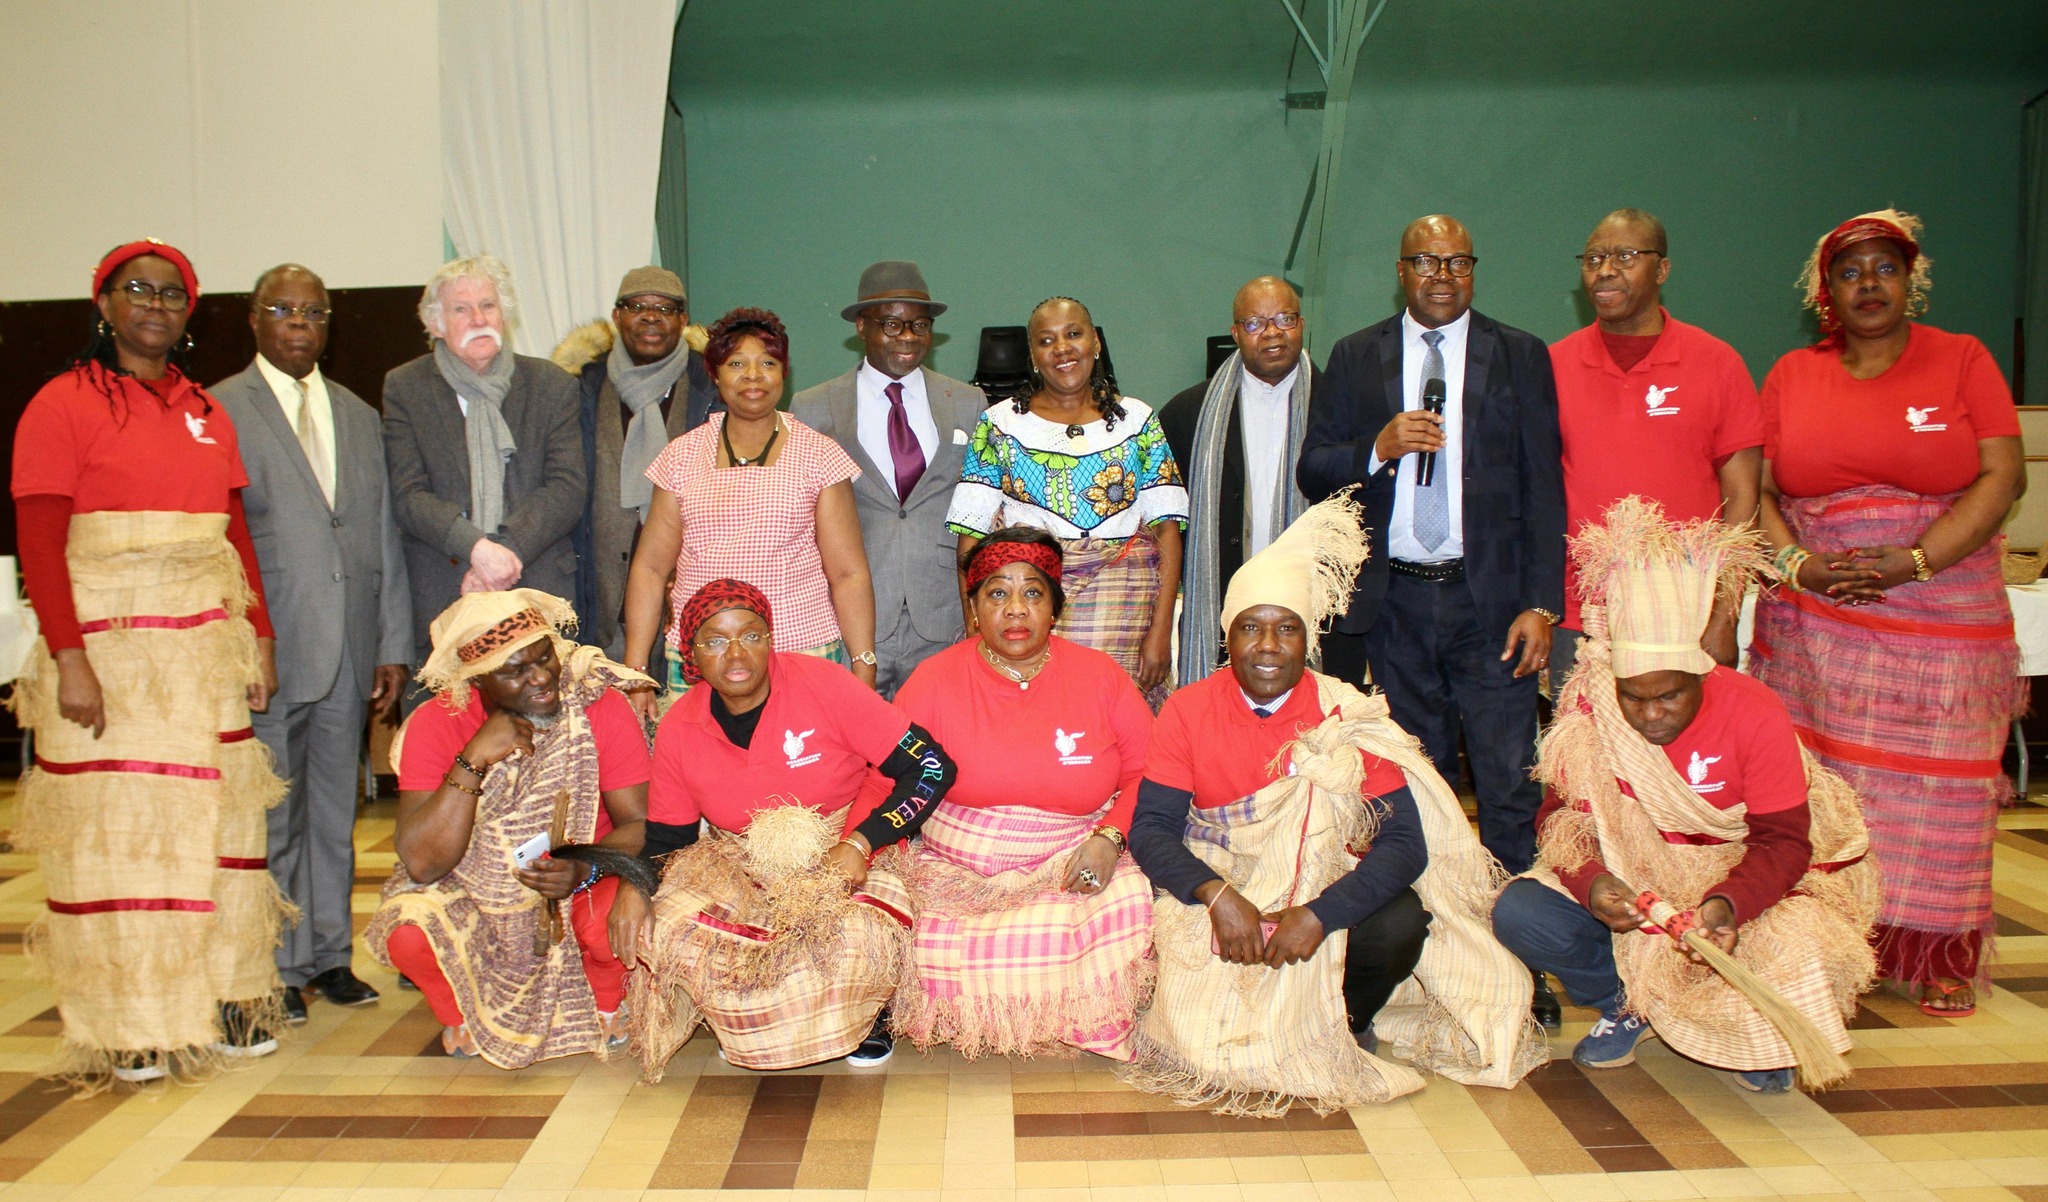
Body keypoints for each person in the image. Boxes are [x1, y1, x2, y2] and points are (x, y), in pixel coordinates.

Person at [1123, 492, 1544, 1116]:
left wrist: (1321, 913)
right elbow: (1153, 831)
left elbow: (1405, 844)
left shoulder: (1347, 710)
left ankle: (1337, 1020)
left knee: (1400, 921)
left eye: (1286, 627)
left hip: (1317, 897)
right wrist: (1215, 896)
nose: (1268, 645)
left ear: (1309, 637)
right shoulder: (1187, 710)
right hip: (1225, 894)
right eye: (1250, 627)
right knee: (1200, 1032)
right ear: (1226, 636)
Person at [10, 239, 289, 1084]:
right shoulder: (59, 404)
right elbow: (40, 541)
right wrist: (71, 659)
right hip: (111, 649)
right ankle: (128, 1024)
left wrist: (260, 634)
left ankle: (224, 997)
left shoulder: (207, 408)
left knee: (222, 832)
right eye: (138, 290)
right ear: (104, 303)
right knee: (121, 843)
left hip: (204, 649)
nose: (156, 305)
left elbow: (234, 534)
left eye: (172, 294)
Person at [1495, 499, 1880, 1092]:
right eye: (1634, 697)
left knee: (1803, 939)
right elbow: (1562, 820)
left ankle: (1750, 1026)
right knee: (1521, 911)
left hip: (1740, 878)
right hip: (1641, 879)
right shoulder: (1591, 707)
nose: (1649, 716)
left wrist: (1728, 905)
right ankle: (1629, 1003)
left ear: (1701, 675)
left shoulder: (1755, 709)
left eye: (1669, 696)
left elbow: (1783, 842)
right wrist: (1594, 884)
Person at [1749, 209, 2024, 1018]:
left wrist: (1918, 559)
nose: (1868, 284)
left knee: (1941, 792)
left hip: (1944, 617)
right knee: (1833, 786)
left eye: (1885, 268)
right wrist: (1800, 565)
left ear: (1911, 279)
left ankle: (1936, 949)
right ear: (1825, 291)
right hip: (1821, 618)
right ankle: (1839, 937)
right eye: (1850, 271)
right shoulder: (1793, 375)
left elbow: (2003, 476)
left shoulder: (1964, 361)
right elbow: (1756, 493)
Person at [1297, 214, 1563, 876]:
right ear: (1400, 271)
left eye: (1457, 263)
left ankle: (1513, 941)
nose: (1442, 277)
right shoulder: (1359, 356)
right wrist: (1377, 449)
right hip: (1397, 606)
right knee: (1422, 777)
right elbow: (1314, 468)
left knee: (1507, 778)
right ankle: (1442, 933)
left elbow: (1543, 486)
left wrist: (1541, 603)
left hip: (1493, 603)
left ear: (1473, 269)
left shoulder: (1520, 354)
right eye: (1426, 262)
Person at [620, 580, 956, 1075]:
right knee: (664, 927)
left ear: (771, 639)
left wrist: (862, 843)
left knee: (859, 936)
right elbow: (669, 839)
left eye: (751, 635)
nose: (736, 653)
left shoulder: (826, 684)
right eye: (715, 641)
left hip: (843, 852)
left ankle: (863, 1019)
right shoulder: (680, 726)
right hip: (741, 863)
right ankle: (745, 1019)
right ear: (691, 654)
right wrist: (634, 886)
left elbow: (931, 766)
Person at [212, 264, 413, 1023]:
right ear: (255, 321)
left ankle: (328, 957)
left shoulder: (359, 415)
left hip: (352, 651)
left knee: (336, 812)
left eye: (313, 313)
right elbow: (222, 541)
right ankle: (269, 963)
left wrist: (390, 643)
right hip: (271, 650)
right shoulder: (221, 409)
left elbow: (382, 538)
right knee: (270, 816)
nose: (299, 324)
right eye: (282, 311)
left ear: (328, 325)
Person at [889, 528, 1157, 1059]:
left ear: (1055, 608)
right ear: (972, 608)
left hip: (1071, 853)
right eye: (996, 593)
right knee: (908, 924)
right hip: (957, 866)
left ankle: (1080, 1021)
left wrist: (1110, 838)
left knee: (1124, 903)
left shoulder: (1101, 677)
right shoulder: (934, 680)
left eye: (1033, 593)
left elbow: (1149, 770)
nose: (1016, 609)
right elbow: (890, 777)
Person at [366, 590, 651, 1066]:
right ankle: (461, 1011)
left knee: (611, 923)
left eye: (545, 658)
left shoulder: (597, 705)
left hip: (587, 874)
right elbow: (422, 863)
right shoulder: (437, 722)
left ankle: (606, 1002)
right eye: (515, 671)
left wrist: (585, 866)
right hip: (478, 889)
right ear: (475, 681)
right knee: (410, 932)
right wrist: (473, 759)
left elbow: (643, 825)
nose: (541, 678)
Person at [624, 308, 879, 701]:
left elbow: (848, 573)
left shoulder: (820, 455)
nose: (753, 375)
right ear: (715, 374)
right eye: (737, 363)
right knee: (703, 762)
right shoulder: (681, 456)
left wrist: (863, 664)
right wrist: (636, 672)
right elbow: (650, 568)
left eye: (768, 363)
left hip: (800, 649)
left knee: (803, 762)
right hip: (702, 654)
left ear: (784, 372)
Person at [1550, 209, 1762, 679]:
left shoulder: (1717, 362)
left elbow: (1744, 501)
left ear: (1663, 269)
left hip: (1687, 612)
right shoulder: (1552, 365)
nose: (1605, 270)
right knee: (1580, 750)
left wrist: (1725, 614)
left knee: (1684, 753)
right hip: (1580, 615)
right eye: (1593, 258)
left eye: (1626, 256)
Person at [947, 297, 1187, 707]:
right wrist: (974, 624)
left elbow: (1167, 527)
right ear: (1033, 355)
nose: (1062, 349)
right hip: (1032, 600)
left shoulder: (1138, 420)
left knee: (1113, 721)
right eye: (1046, 340)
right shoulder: (999, 424)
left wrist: (1160, 630)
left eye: (1073, 334)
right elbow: (969, 534)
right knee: (1034, 718)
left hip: (1125, 611)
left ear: (1095, 342)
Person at [382, 255, 587, 700]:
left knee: (546, 749)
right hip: (445, 594)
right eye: (461, 309)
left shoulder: (552, 384)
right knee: (446, 740)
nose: (478, 318)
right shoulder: (405, 388)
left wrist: (502, 555)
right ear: (435, 324)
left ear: (504, 314)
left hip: (537, 590)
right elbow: (408, 494)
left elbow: (567, 487)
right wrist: (474, 548)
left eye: (488, 306)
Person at [791, 261, 987, 697]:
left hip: (942, 613)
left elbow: (981, 511)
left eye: (920, 324)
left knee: (940, 746)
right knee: (852, 743)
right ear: (862, 326)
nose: (908, 337)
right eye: (892, 324)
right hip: (853, 618)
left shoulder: (969, 402)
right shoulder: (813, 407)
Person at [1161, 275, 1325, 684]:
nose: (1272, 332)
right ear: (1235, 333)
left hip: (1317, 610)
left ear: (1302, 325)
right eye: (1255, 323)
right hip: (1219, 607)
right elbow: (1165, 526)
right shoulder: (1188, 415)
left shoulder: (1339, 404)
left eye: (1284, 319)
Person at [552, 265, 721, 656]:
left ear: (682, 320)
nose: (650, 316)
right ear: (616, 317)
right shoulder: (581, 386)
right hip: (598, 599)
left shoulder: (712, 386)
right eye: (637, 306)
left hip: (693, 594)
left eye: (664, 309)